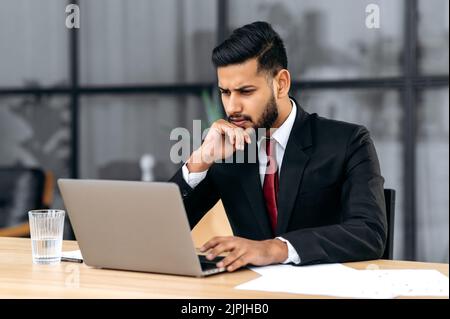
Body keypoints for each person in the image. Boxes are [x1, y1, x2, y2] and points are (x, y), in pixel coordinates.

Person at [170, 21, 387, 272]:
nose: (232, 107)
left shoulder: (348, 141)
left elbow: (369, 233)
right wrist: (201, 159)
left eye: (245, 91)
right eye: (225, 92)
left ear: (281, 84)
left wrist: (275, 248)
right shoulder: (227, 149)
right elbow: (162, 229)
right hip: (248, 292)